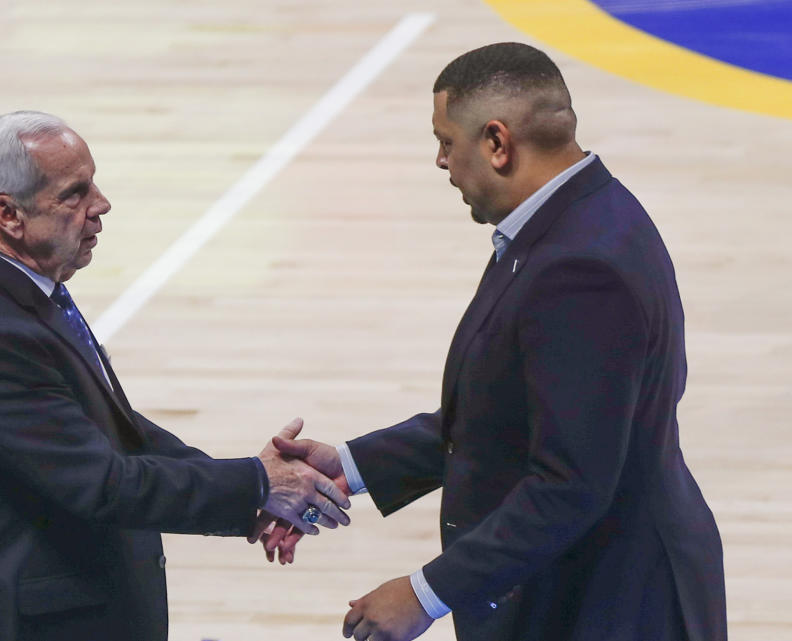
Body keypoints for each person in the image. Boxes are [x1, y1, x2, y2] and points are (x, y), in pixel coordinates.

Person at [265, 42, 727, 641]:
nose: (439, 161)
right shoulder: (576, 220)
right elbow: (508, 413)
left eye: (446, 142)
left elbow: (570, 482)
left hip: (610, 605)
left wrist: (425, 594)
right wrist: (348, 467)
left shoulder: (580, 269)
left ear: (497, 143)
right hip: (585, 590)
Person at [0, 111, 351, 641]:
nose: (100, 205)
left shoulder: (22, 291)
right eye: (73, 194)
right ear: (7, 213)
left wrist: (250, 493)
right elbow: (104, 484)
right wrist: (257, 482)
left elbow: (114, 428)